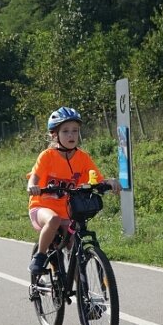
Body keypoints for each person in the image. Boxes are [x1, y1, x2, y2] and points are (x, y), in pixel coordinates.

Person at [26, 107, 120, 274]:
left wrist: (110, 183)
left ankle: (80, 293)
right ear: (55, 135)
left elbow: (96, 179)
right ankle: (39, 257)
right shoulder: (47, 156)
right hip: (42, 206)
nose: (71, 135)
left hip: (67, 211)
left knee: (74, 247)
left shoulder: (83, 158)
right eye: (66, 131)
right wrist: (32, 187)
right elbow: (35, 177)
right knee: (53, 220)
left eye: (75, 131)